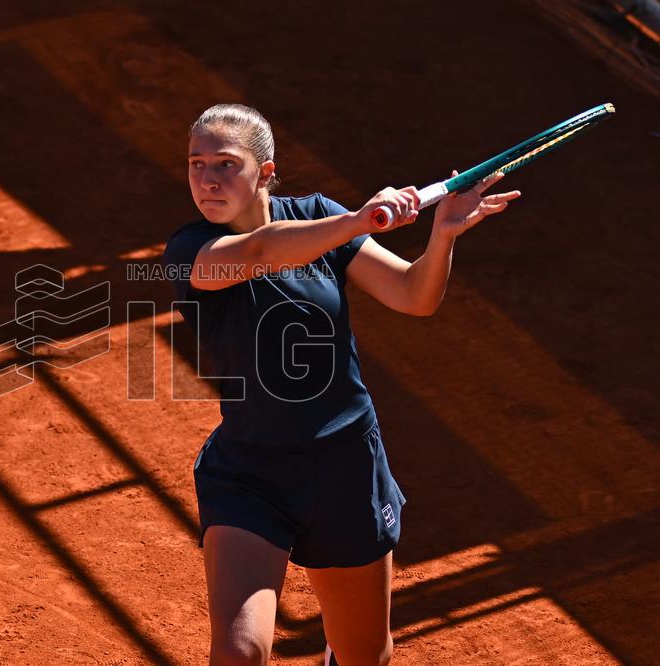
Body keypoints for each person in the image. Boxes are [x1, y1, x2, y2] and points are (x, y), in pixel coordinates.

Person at [162, 104, 520, 666]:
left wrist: (442, 236)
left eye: (226, 164)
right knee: (238, 652)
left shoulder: (319, 216)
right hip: (250, 471)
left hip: (343, 468)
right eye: (196, 164)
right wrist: (358, 220)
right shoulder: (189, 250)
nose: (208, 180)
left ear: (266, 170)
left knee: (363, 657)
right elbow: (262, 250)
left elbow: (412, 296)